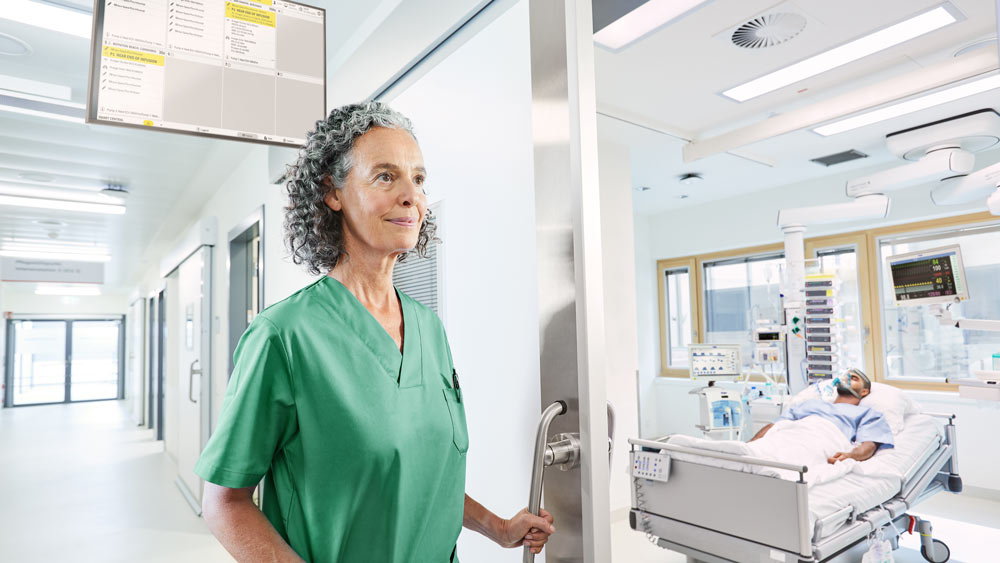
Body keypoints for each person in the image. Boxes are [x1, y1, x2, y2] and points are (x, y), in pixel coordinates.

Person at [194, 102, 554, 562]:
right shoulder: (283, 338)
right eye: (386, 176)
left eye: (418, 179)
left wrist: (499, 528)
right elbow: (224, 501)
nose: (411, 196)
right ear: (333, 193)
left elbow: (416, 478)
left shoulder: (429, 328)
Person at [750, 368, 894, 464]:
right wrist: (752, 443)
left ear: (864, 392)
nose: (846, 379)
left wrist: (850, 456)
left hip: (824, 436)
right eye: (845, 376)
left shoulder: (868, 414)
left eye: (854, 378)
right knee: (760, 449)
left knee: (789, 458)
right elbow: (776, 426)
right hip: (793, 432)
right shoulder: (811, 404)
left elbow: (868, 445)